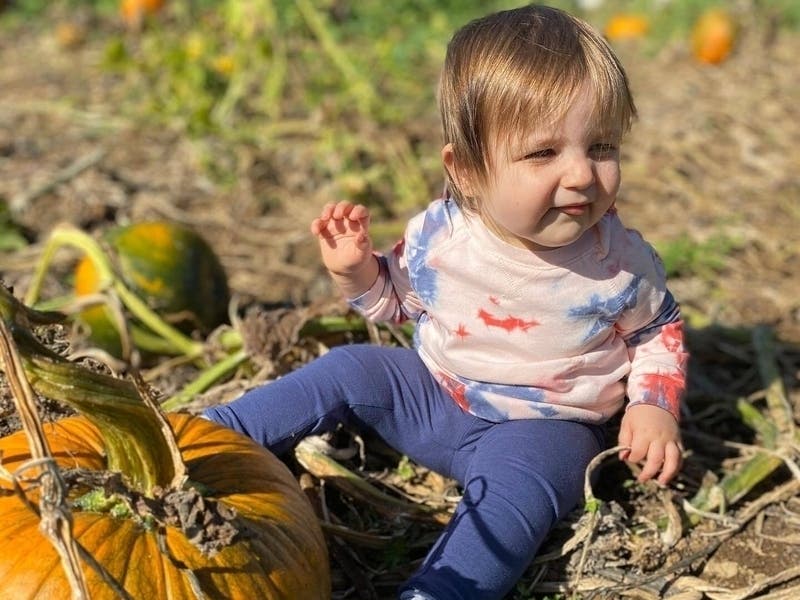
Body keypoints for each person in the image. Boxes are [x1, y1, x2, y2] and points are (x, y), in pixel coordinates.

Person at [203, 4, 688, 599]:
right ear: (468, 172)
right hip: (434, 398)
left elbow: (656, 332)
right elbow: (396, 303)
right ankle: (209, 435)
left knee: (513, 495)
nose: (582, 175)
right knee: (353, 368)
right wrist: (359, 273)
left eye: (602, 147)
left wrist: (654, 404)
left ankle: (441, 591)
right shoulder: (442, 236)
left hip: (547, 430)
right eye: (543, 153)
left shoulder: (620, 264)